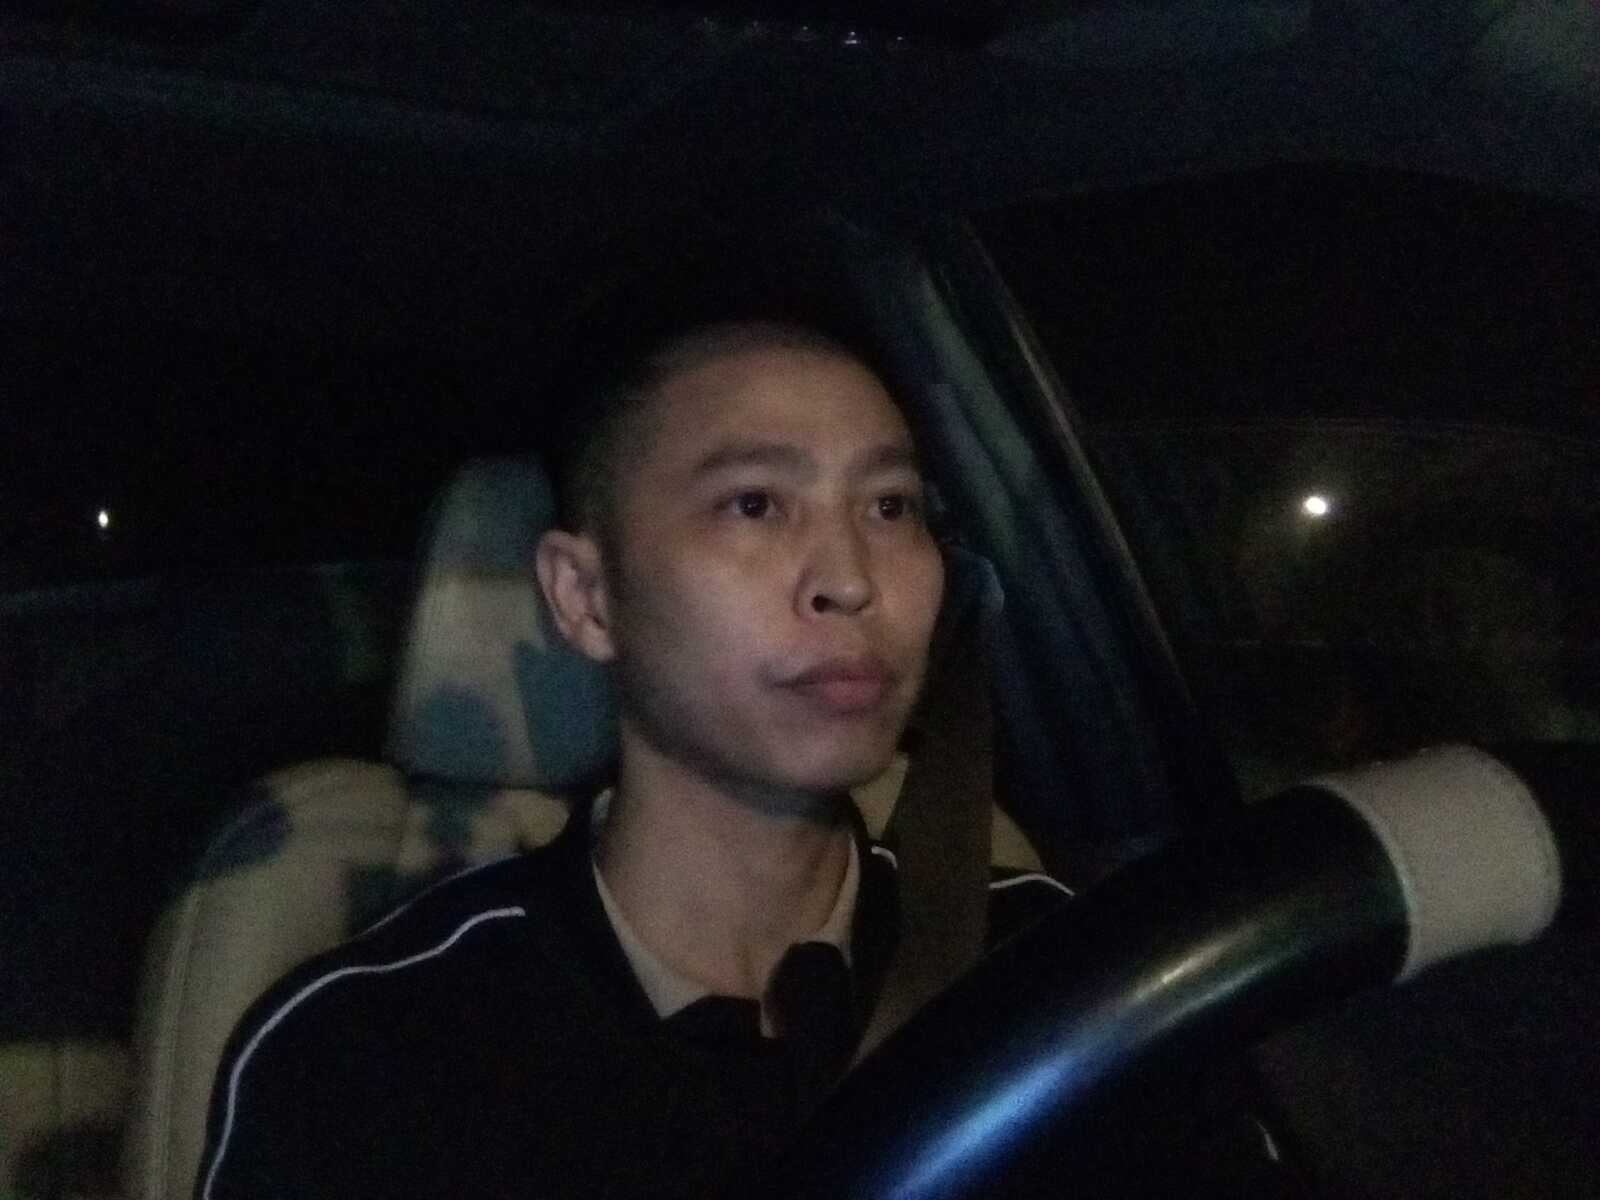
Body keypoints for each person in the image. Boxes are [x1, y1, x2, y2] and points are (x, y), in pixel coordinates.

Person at [194, 309, 1070, 1200]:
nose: (849, 580)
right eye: (754, 505)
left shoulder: (1045, 965)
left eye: (890, 507)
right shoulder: (367, 1055)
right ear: (585, 596)